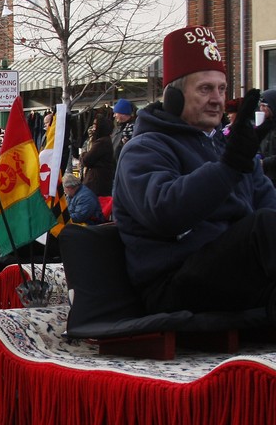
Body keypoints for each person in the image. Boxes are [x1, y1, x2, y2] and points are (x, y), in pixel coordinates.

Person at [113, 24, 276, 317]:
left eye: (222, 89)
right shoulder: (145, 148)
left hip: (233, 273)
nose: (217, 99)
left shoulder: (229, 148)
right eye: (205, 89)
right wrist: (229, 169)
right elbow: (165, 211)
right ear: (174, 97)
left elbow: (268, 205)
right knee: (262, 226)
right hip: (174, 281)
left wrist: (238, 161)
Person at [79, 112, 116, 196]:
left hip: (96, 183)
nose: (93, 128)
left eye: (95, 125)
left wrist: (83, 154)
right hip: (100, 182)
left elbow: (86, 160)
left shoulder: (101, 142)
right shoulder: (105, 141)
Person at [110, 98, 136, 162]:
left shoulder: (133, 128)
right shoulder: (117, 128)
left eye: (116, 113)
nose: (114, 115)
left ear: (123, 113)